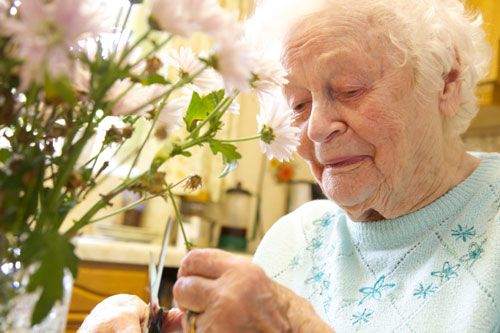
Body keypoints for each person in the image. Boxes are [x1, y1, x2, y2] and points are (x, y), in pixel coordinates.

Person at [79, 0, 500, 332]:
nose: (315, 127)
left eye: (350, 89)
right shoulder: (293, 238)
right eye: (298, 104)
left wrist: (293, 326)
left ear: (445, 81)